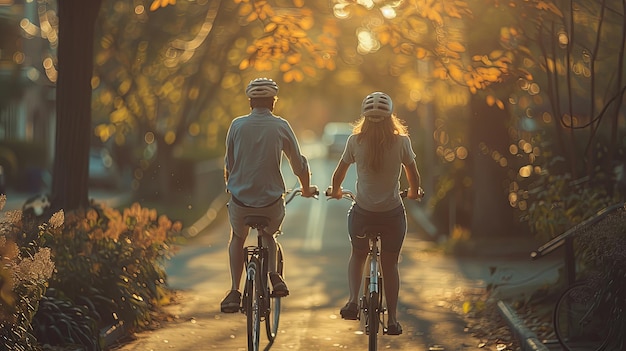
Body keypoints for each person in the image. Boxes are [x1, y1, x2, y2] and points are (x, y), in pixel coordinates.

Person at [327, 92, 423, 335]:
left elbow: (338, 174)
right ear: (391, 117)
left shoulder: (354, 141)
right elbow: (413, 175)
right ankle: (392, 320)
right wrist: (413, 192)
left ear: (365, 118)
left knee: (358, 255)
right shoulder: (402, 142)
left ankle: (351, 301)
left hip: (363, 214)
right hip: (391, 215)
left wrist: (336, 191)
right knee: (389, 266)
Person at [221, 77, 318, 313]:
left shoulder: (236, 125)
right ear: (273, 102)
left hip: (240, 202)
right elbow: (298, 164)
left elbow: (229, 165)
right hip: (271, 202)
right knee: (269, 234)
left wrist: (233, 186)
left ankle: (235, 289)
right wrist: (305, 188)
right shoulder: (280, 126)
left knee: (237, 237)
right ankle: (274, 275)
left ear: (250, 102)